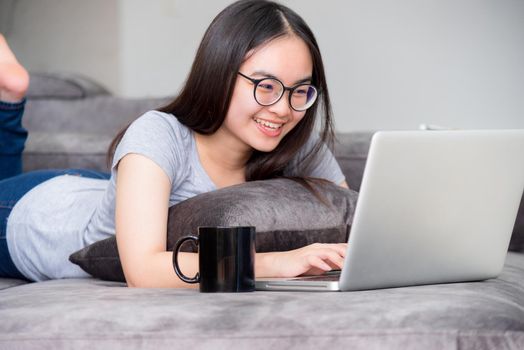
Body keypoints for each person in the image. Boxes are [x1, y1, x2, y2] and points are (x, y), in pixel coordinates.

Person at [0, 0, 350, 288]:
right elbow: (143, 270)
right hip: (33, 216)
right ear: (220, 72)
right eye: (266, 85)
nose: (283, 109)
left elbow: (350, 222)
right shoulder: (159, 133)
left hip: (95, 192)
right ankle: (10, 99)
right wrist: (276, 263)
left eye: (300, 91)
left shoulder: (300, 146)